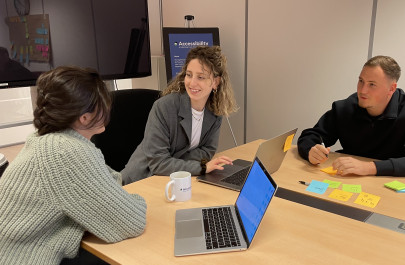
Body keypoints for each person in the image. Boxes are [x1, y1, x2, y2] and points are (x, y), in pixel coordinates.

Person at [0, 66, 147, 265]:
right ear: (84, 117)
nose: (108, 108)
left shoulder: (47, 140)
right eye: (103, 104)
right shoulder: (66, 152)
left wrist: (88, 215)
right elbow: (132, 220)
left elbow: (112, 181)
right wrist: (136, 202)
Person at [297, 55, 405, 177]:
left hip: (390, 185)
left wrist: (369, 167)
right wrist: (311, 150)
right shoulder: (345, 107)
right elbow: (310, 136)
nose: (363, 90)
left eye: (372, 84)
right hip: (348, 181)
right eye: (361, 81)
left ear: (391, 88)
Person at [122, 46, 238, 184]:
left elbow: (208, 151)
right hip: (143, 179)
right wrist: (201, 167)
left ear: (215, 82)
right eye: (189, 75)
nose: (192, 82)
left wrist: (172, 160)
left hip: (176, 179)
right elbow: (159, 164)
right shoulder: (164, 107)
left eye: (200, 77)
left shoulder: (215, 111)